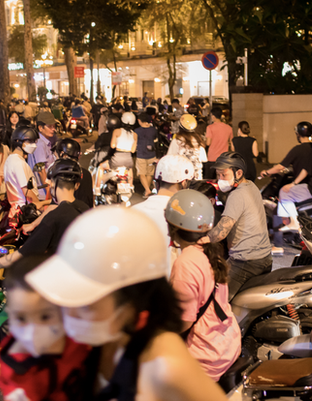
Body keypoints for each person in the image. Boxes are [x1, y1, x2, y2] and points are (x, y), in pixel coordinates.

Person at [25, 206, 228, 401]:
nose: (70, 313)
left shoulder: (163, 359)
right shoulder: (91, 340)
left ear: (130, 300)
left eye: (86, 302)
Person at [165, 190, 242, 380]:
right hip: (227, 343)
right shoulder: (209, 250)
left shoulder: (186, 263)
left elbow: (185, 320)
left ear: (172, 228)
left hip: (205, 356)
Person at [0, 255, 93, 401]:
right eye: (21, 318)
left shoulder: (83, 340)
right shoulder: (13, 366)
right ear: (9, 314)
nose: (32, 331)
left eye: (45, 317)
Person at [0, 159, 88, 271]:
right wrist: (33, 224)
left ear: (52, 183)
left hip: (58, 277)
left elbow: (16, 257)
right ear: (77, 185)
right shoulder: (85, 209)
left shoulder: (53, 219)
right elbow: (54, 207)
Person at [205, 152, 272, 299]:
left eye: (224, 175)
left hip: (246, 262)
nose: (220, 179)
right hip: (264, 258)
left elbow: (221, 232)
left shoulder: (237, 195)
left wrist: (200, 241)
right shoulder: (251, 186)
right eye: (218, 175)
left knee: (217, 300)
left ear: (239, 173)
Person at [134, 154, 196, 273]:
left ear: (156, 182)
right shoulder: (186, 216)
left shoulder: (132, 212)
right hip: (171, 286)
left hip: (136, 286)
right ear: (184, 183)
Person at [3, 126, 49, 218]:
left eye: (34, 142)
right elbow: (27, 192)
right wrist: (41, 209)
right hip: (25, 212)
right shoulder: (18, 163)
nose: (33, 145)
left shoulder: (10, 160)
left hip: (15, 210)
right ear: (17, 141)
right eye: (29, 141)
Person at [55, 137, 93, 208]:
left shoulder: (61, 174)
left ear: (63, 155)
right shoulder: (86, 173)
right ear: (79, 156)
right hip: (85, 214)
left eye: (56, 156)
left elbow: (56, 203)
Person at [28, 111, 59, 200]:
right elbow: (41, 170)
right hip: (43, 192)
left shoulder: (45, 143)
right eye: (50, 126)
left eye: (54, 126)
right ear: (40, 128)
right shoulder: (40, 144)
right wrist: (49, 192)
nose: (53, 129)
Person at [168, 114, 208, 181]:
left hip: (181, 179)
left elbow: (169, 158)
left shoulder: (176, 141)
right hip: (197, 178)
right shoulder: (198, 141)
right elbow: (204, 159)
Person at [205, 107, 233, 178]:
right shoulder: (229, 128)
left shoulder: (210, 127)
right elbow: (231, 142)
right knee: (222, 178)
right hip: (223, 158)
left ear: (213, 116)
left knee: (210, 179)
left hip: (212, 157)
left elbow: (208, 143)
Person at [135, 112, 158, 198]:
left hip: (141, 154)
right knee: (149, 173)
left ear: (139, 121)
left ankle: (147, 190)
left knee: (142, 173)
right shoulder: (153, 130)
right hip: (152, 154)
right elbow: (155, 139)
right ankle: (146, 190)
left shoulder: (136, 131)